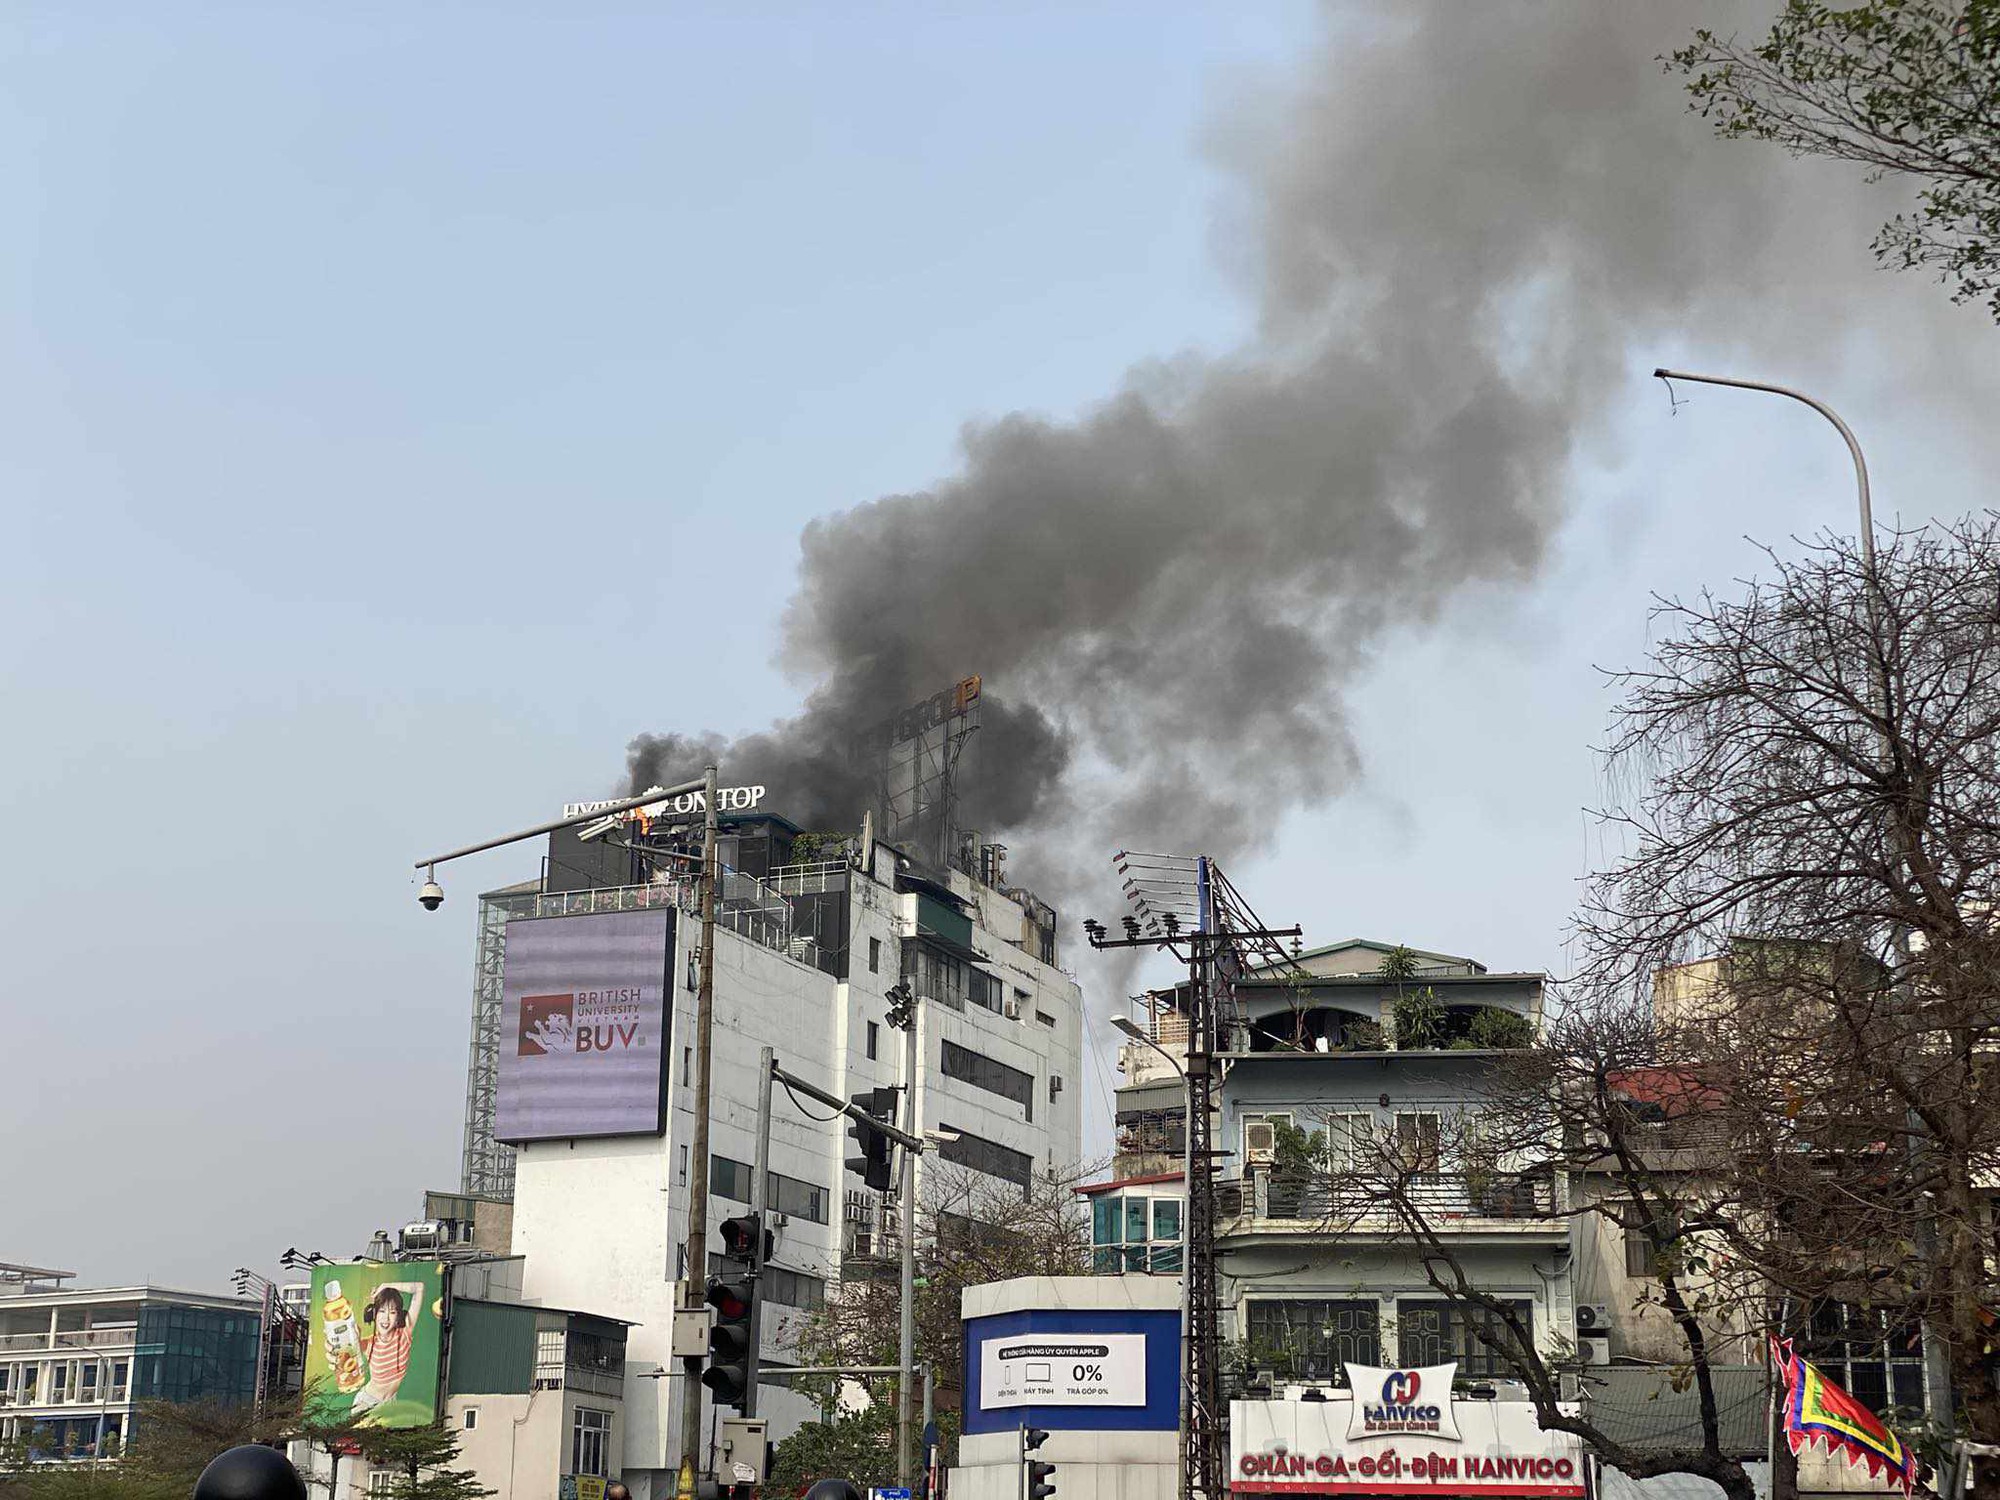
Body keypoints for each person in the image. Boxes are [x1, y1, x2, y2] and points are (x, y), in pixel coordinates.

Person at [351, 1284, 423, 1415]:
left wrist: (386, 1285)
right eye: (382, 1311)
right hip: (366, 1403)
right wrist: (353, 1338)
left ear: (398, 1318)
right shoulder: (369, 1343)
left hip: (390, 1403)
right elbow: (348, 1353)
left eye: (392, 1312)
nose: (386, 1318)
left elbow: (419, 1288)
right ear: (375, 1315)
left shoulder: (404, 1334)